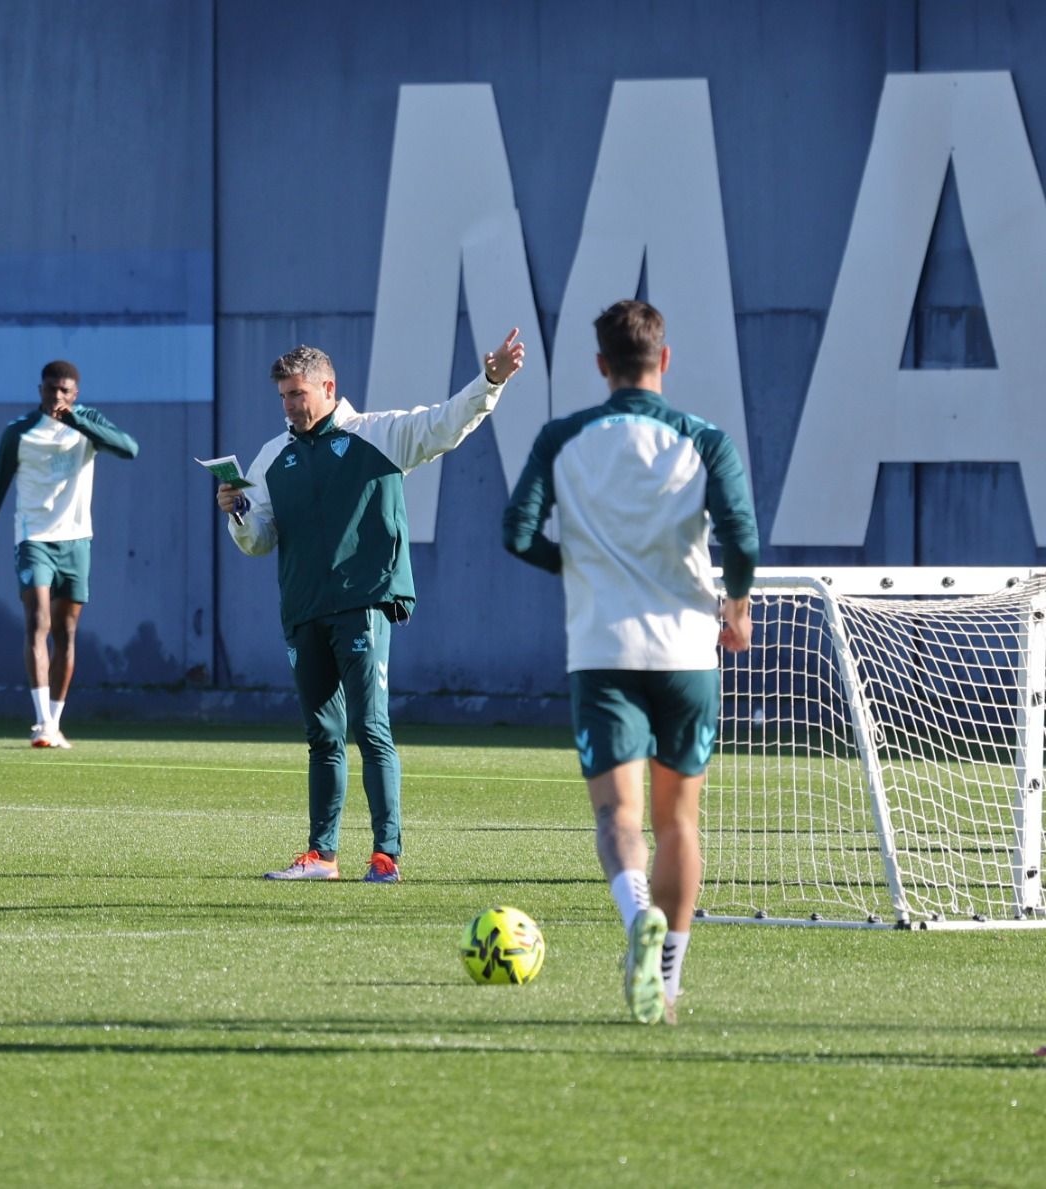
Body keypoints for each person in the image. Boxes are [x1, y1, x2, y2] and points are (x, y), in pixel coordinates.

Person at [503, 299, 759, 1025]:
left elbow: (516, 531)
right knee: (679, 821)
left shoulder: (564, 437)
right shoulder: (704, 439)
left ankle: (636, 911)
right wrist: (734, 608)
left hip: (603, 651)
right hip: (686, 649)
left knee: (618, 815)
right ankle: (668, 980)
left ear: (601, 366)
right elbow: (742, 538)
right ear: (665, 360)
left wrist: (577, 567)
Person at [219, 331, 526, 883]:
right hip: (303, 608)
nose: (290, 406)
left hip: (362, 602)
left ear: (328, 387)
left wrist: (492, 380)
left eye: (298, 394)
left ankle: (386, 855)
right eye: (284, 397)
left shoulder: (378, 434)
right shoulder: (272, 456)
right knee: (322, 734)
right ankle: (322, 855)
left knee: (370, 727)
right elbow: (260, 539)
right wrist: (237, 511)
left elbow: (446, 422)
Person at [0, 360, 139, 748]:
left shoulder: (86, 423)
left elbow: (129, 449)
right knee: (38, 620)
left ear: (75, 394)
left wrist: (76, 421)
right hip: (34, 539)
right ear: (39, 389)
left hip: (76, 541)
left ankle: (55, 722)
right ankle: (41, 722)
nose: (57, 396)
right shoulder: (19, 433)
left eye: (65, 391)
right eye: (51, 389)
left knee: (66, 631)